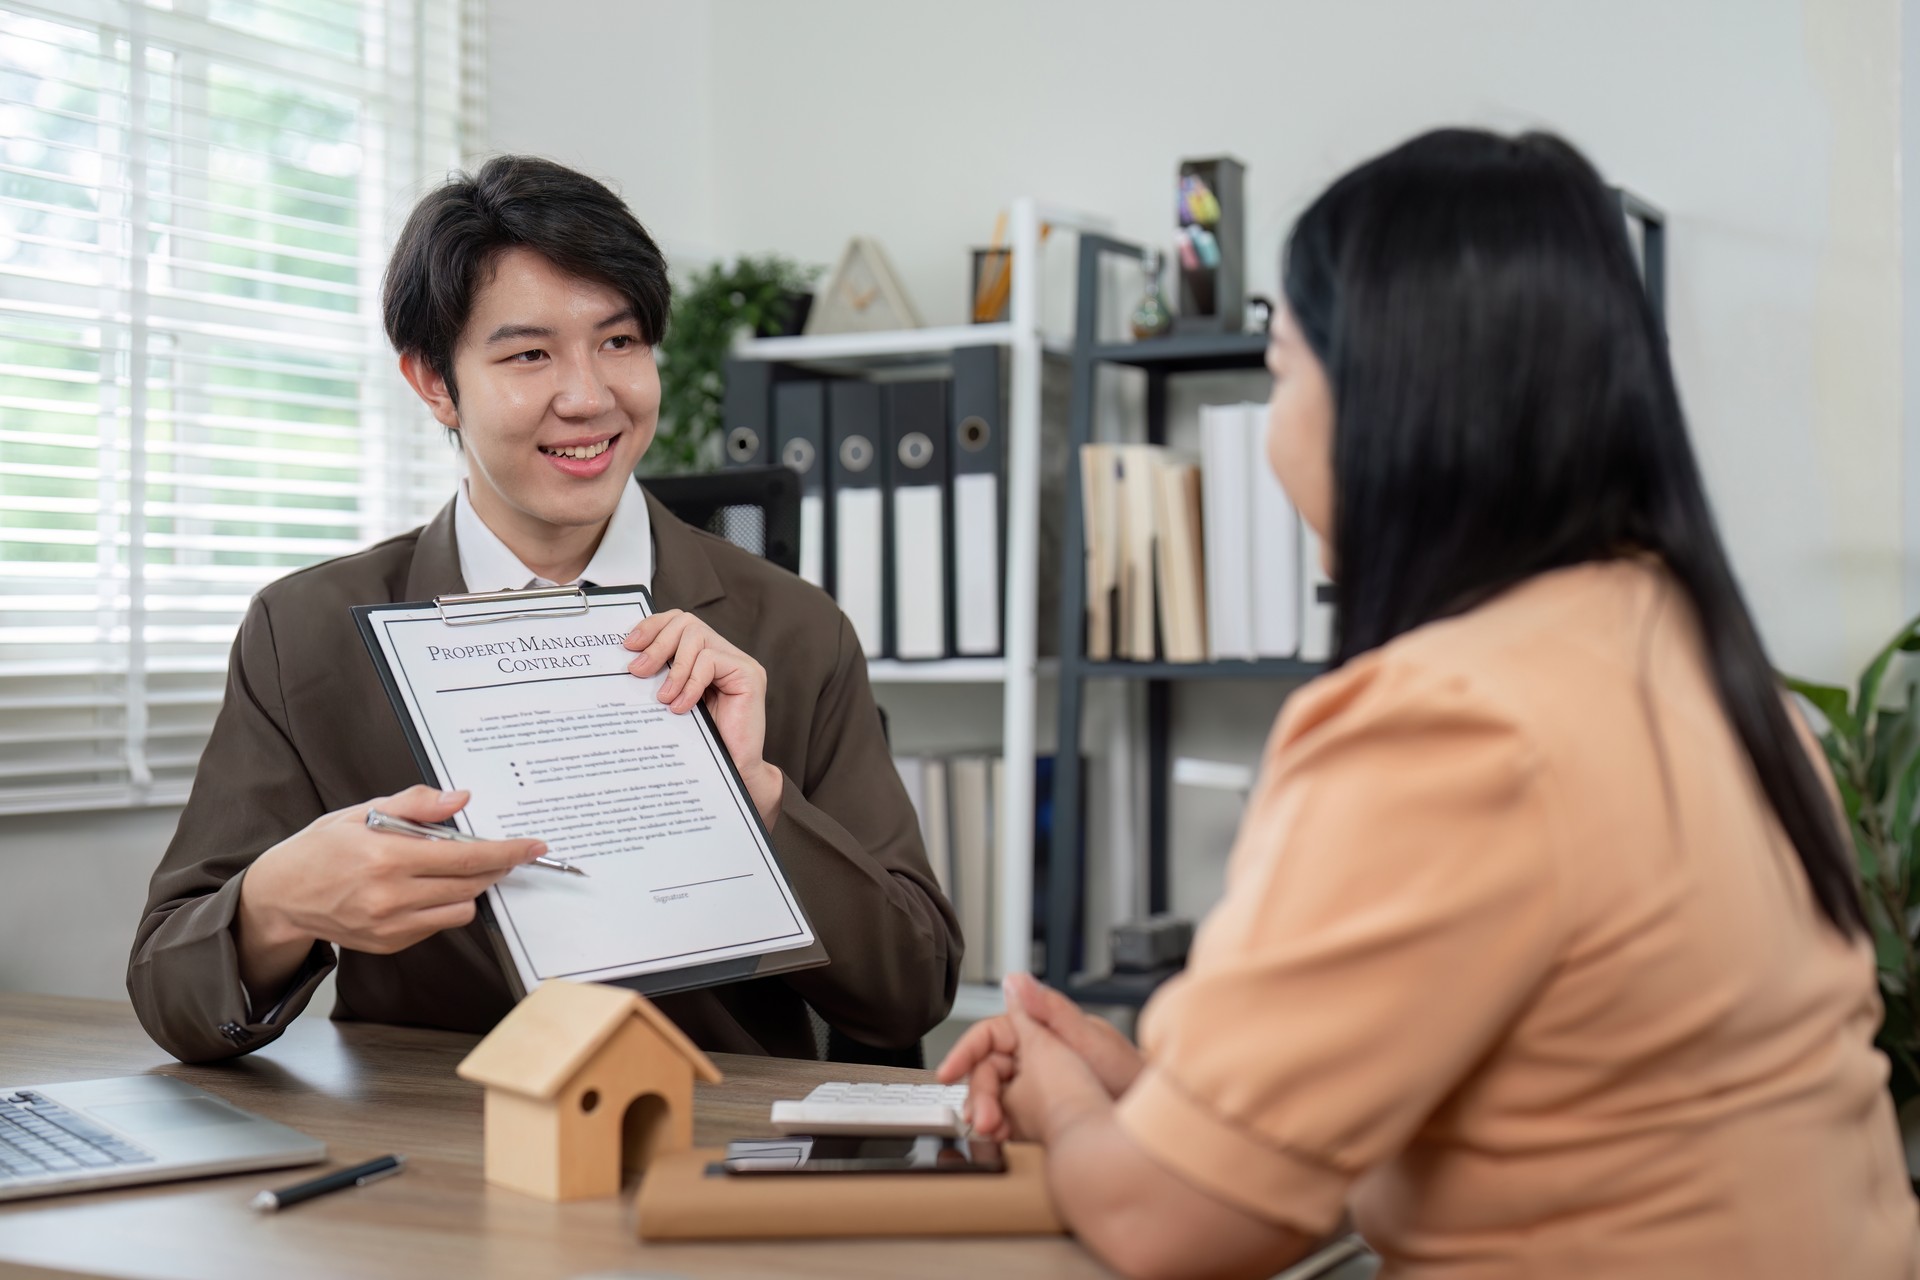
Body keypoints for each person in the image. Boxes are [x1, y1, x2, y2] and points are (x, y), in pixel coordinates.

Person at [940, 130, 1919, 1279]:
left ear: (1393, 403)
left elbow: (1177, 1224)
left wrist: (1064, 1104)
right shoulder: (1716, 676)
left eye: (1282, 367)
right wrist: (1160, 1098)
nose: (1272, 426)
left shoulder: (1448, 721)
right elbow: (1539, 1112)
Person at [128, 155, 960, 1065]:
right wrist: (276, 905)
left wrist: (754, 797)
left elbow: (910, 992)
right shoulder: (308, 632)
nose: (590, 396)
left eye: (621, 342)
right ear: (433, 383)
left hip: (710, 1146)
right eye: (529, 354)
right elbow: (171, 995)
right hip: (434, 1153)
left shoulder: (791, 629)